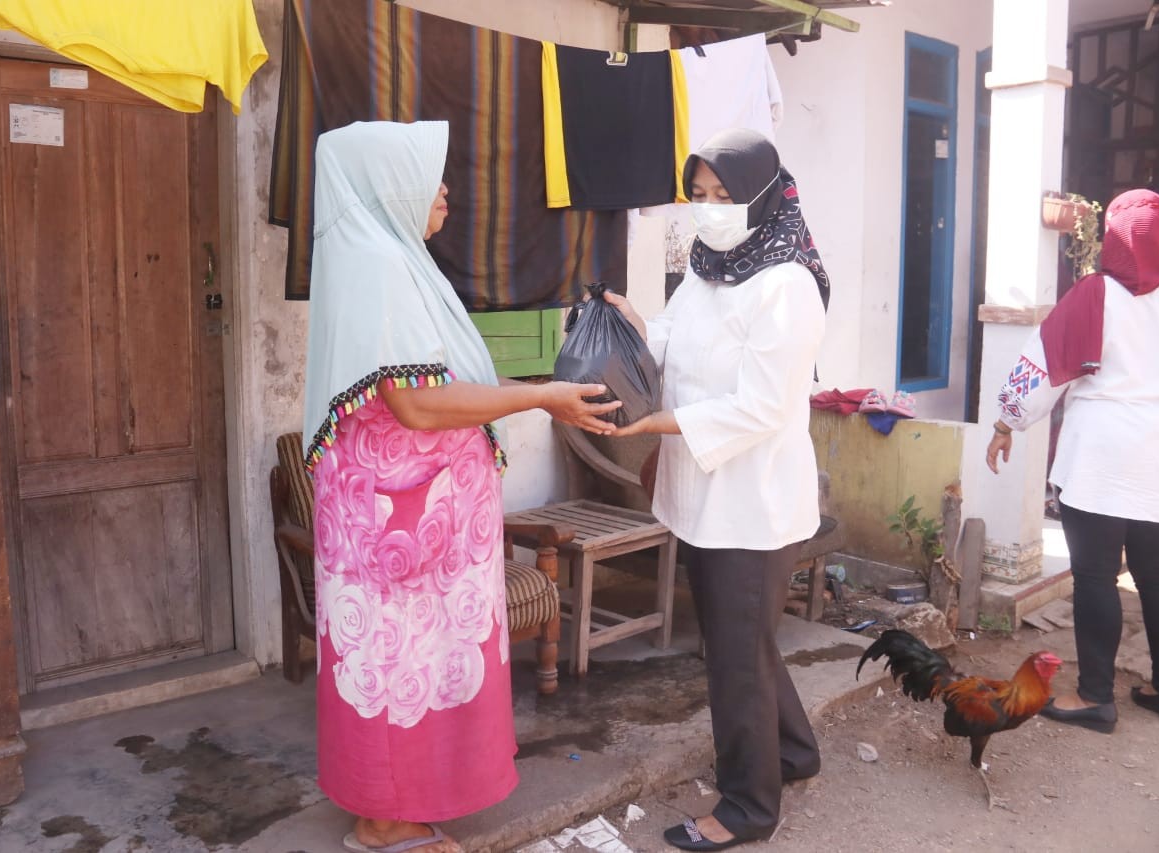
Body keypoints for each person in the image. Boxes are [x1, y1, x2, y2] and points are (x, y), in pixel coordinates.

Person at [301, 120, 619, 853]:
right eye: (427, 172)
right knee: (388, 667)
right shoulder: (377, 265)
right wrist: (541, 399)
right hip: (394, 533)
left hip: (404, 531)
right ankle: (381, 823)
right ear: (386, 181)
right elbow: (416, 404)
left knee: (402, 668)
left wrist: (540, 392)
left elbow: (442, 385)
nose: (444, 188)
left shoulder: (392, 262)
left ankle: (397, 809)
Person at [604, 128, 829, 850]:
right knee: (744, 644)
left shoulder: (787, 284)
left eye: (725, 196)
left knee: (734, 654)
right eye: (699, 195)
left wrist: (662, 423)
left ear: (763, 197)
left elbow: (762, 406)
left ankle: (747, 808)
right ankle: (792, 753)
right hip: (704, 495)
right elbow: (669, 340)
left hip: (753, 504)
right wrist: (631, 328)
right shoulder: (707, 269)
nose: (709, 210)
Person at [987, 188, 1159, 734]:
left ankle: (1096, 698)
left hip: (1101, 458)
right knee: (1155, 578)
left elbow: (1041, 367)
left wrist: (1006, 422)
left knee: (1094, 578)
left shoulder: (1095, 294)